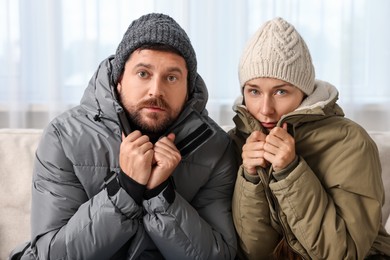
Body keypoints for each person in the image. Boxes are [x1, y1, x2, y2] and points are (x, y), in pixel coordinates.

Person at [10, 13, 238, 260]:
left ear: (187, 89)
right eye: (143, 73)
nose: (156, 90)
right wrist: (126, 188)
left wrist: (160, 194)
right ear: (119, 79)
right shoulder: (63, 137)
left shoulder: (215, 148)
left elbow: (219, 255)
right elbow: (50, 254)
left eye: (171, 78)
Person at [229, 17, 390, 259]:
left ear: (305, 92)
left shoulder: (351, 142)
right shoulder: (237, 142)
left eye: (281, 91)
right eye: (254, 91)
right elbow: (255, 251)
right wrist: (250, 178)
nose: (265, 109)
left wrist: (289, 172)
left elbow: (342, 254)